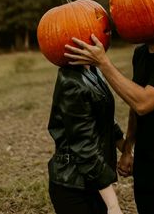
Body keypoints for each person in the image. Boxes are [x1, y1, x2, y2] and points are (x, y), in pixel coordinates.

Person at [64, 33, 154, 214]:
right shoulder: (140, 54)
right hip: (148, 173)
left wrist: (103, 63)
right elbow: (134, 104)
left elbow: (143, 103)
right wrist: (128, 149)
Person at [47, 62, 125, 214]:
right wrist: (113, 205)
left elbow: (105, 119)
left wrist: (127, 149)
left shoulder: (92, 69)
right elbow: (84, 146)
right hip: (74, 186)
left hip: (94, 183)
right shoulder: (71, 82)